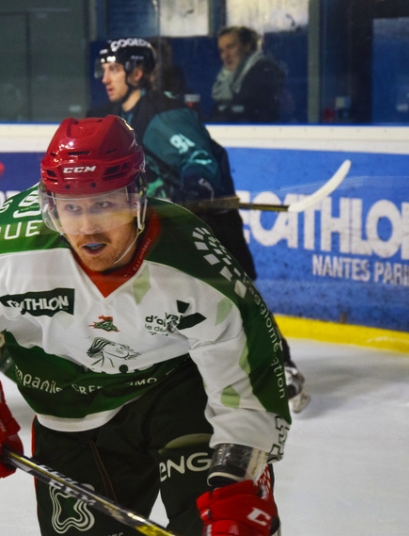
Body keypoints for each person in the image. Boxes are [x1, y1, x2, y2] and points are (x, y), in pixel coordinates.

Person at [0, 116, 290, 536]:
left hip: (174, 393)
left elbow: (248, 374)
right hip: (65, 409)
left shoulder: (193, 262)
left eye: (104, 204)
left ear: (136, 198)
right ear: (50, 204)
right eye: (71, 208)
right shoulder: (5, 251)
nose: (88, 228)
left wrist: (237, 478)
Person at [88, 38, 309, 412]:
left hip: (207, 224)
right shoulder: (120, 118)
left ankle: (281, 369)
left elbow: (198, 158)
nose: (106, 77)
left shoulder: (162, 113)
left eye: (114, 69)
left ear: (137, 72)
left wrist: (196, 185)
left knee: (235, 298)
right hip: (167, 225)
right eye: (104, 70)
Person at [210, 26, 285, 124]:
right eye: (222, 51)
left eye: (231, 47)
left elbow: (246, 110)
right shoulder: (226, 77)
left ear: (246, 46)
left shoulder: (263, 70)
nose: (225, 56)